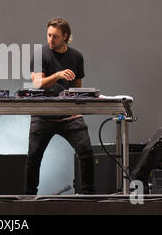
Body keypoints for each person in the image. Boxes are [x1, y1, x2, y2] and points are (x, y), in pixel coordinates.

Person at [24, 17, 95, 195]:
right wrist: (57, 75)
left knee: (86, 153)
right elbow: (38, 83)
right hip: (43, 115)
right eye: (48, 35)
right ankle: (29, 196)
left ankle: (89, 196)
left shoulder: (76, 57)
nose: (50, 40)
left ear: (65, 36)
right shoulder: (41, 54)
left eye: (55, 36)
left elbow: (78, 87)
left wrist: (77, 106)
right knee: (34, 157)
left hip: (69, 115)